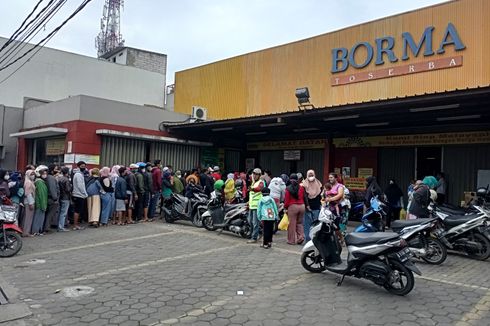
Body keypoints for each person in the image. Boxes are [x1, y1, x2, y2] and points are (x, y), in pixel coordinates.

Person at [284, 173, 306, 245]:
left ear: (290, 179)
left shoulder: (288, 189)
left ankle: (291, 240)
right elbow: (304, 197)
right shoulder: (302, 188)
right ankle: (301, 237)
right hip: (302, 206)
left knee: (292, 224)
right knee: (299, 223)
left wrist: (285, 207)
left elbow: (286, 200)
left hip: (293, 207)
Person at [302, 169, 323, 242]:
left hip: (316, 207)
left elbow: (320, 196)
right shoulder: (304, 184)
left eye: (312, 175)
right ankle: (308, 239)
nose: (311, 176)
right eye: (309, 175)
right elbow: (304, 197)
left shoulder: (319, 184)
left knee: (316, 225)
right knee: (307, 224)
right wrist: (307, 205)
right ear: (307, 176)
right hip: (307, 208)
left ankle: (315, 239)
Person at [247, 168, 266, 243]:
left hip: (257, 206)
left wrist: (252, 189)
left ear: (259, 175)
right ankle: (253, 234)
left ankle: (254, 237)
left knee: (255, 222)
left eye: (256, 174)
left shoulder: (261, 182)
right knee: (250, 221)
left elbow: (259, 189)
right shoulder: (253, 183)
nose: (254, 175)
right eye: (253, 174)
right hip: (251, 205)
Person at [43, 165, 60, 232]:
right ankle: (47, 227)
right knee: (50, 214)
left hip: (48, 198)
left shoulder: (47, 177)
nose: (57, 171)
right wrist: (55, 198)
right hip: (52, 199)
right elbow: (52, 189)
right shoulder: (51, 178)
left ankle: (46, 227)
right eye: (55, 169)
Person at [32, 166, 48, 235]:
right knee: (38, 218)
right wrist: (43, 205)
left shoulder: (39, 181)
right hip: (40, 203)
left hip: (40, 203)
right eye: (43, 173)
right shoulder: (40, 182)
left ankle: (38, 230)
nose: (45, 174)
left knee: (40, 217)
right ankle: (36, 231)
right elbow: (42, 195)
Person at [72, 161, 88, 230]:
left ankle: (76, 225)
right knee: (77, 210)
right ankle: (75, 225)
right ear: (78, 166)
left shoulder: (79, 174)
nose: (83, 168)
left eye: (84, 166)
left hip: (78, 194)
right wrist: (85, 194)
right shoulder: (78, 175)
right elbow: (80, 185)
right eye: (82, 166)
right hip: (78, 195)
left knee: (77, 210)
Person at [56, 167, 72, 232]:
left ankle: (59, 226)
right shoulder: (66, 180)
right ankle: (61, 227)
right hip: (66, 197)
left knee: (60, 212)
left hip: (61, 197)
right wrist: (71, 187)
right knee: (64, 213)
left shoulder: (60, 179)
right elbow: (68, 189)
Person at [22, 169, 36, 236]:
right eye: (31, 174)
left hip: (29, 201)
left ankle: (26, 231)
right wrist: (31, 203)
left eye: (33, 174)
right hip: (29, 202)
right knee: (28, 217)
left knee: (27, 217)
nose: (33, 175)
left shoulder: (30, 181)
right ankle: (26, 232)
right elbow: (28, 193)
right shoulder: (28, 182)